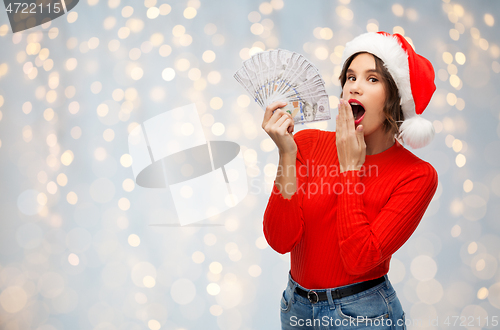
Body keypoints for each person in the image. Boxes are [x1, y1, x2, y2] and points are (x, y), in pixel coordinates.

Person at [261, 31, 438, 329]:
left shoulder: (416, 176)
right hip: (296, 308)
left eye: (372, 79)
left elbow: (359, 259)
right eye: (350, 77)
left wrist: (350, 170)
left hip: (362, 315)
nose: (355, 87)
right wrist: (286, 156)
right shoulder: (306, 144)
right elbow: (280, 240)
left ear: (394, 98)